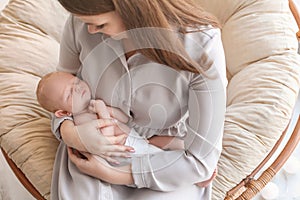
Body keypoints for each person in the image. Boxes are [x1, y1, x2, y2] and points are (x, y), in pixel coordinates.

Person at [50, 0, 227, 199]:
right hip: (93, 155)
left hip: (166, 162)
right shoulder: (82, 22)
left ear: (134, 8)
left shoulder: (202, 44)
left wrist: (115, 175)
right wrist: (71, 133)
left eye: (100, 25)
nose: (90, 30)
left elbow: (200, 162)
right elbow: (58, 93)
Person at [36, 71, 179, 164]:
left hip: (139, 140)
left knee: (176, 142)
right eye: (70, 93)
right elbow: (107, 140)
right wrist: (102, 110)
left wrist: (107, 109)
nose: (78, 88)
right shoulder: (81, 123)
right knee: (168, 162)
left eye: (76, 82)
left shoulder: (93, 105)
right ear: (63, 113)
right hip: (131, 154)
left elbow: (124, 119)